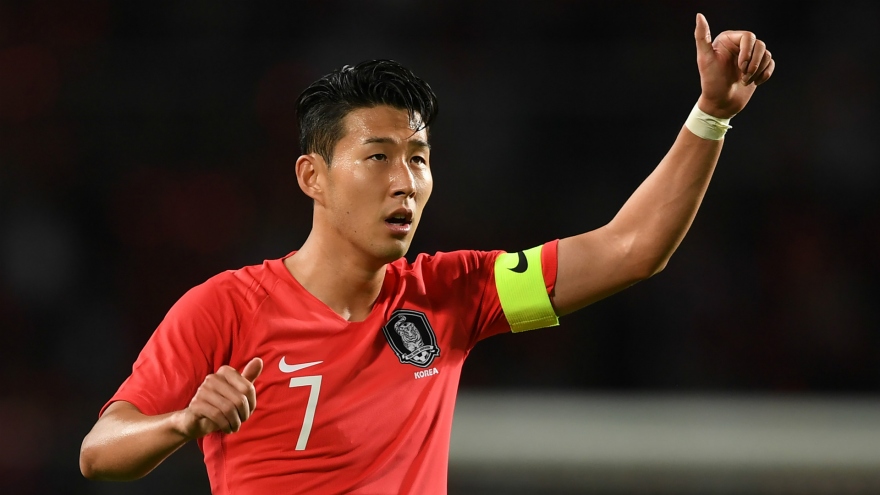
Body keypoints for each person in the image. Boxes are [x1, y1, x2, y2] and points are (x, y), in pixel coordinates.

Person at [80, 13, 774, 495]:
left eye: (418, 157)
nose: (405, 181)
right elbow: (100, 450)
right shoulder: (225, 307)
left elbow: (630, 250)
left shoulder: (451, 294)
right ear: (312, 176)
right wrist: (182, 422)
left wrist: (711, 114)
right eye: (377, 156)